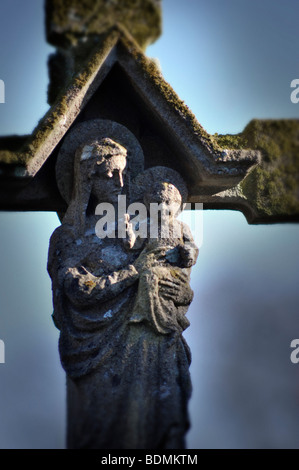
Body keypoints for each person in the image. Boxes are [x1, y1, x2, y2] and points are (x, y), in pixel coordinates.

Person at [48, 137, 196, 449]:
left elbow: (173, 271)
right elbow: (79, 290)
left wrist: (180, 289)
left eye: (123, 173)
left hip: (155, 341)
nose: (119, 181)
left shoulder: (144, 223)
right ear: (87, 180)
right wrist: (135, 270)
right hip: (99, 354)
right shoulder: (70, 236)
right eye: (108, 174)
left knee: (162, 432)